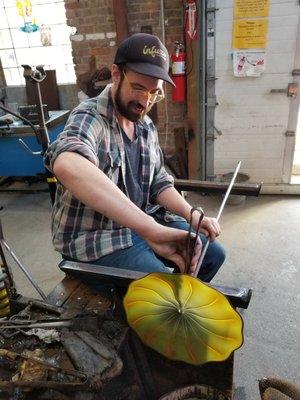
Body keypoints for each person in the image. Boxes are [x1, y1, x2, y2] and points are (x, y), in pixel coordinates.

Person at [44, 33, 225, 291]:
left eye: (154, 93)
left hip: (139, 224)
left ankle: (165, 309)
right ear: (117, 74)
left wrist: (191, 214)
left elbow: (159, 182)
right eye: (139, 87)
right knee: (165, 290)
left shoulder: (145, 126)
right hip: (96, 237)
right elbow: (67, 164)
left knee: (212, 253)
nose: (145, 101)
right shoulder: (89, 117)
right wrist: (151, 229)